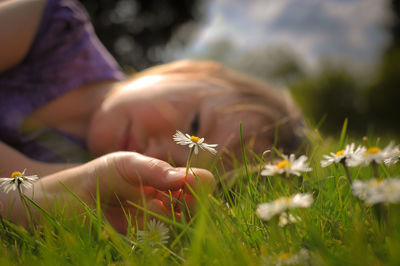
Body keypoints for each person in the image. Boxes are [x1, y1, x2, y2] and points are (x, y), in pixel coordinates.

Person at [0, 0, 306, 233]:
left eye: (172, 168)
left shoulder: (89, 185)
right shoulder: (50, 28)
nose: (159, 153)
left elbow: (17, 195)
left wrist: (53, 192)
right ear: (190, 70)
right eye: (195, 126)